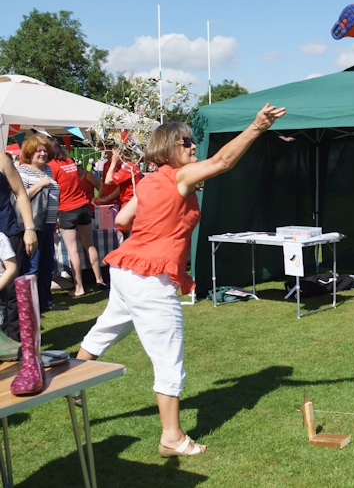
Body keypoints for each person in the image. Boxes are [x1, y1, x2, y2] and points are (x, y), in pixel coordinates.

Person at [76, 102, 286, 457]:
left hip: (127, 271)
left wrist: (173, 204)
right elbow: (221, 162)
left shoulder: (149, 180)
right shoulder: (178, 177)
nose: (192, 145)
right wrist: (256, 127)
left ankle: (71, 385)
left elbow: (125, 220)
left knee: (105, 330)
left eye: (192, 141)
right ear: (169, 147)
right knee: (168, 356)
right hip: (149, 278)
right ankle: (171, 438)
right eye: (186, 141)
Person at [17, 134, 66, 312]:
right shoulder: (23, 171)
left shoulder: (48, 170)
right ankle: (28, 306)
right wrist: (40, 185)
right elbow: (20, 197)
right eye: (39, 151)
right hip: (33, 225)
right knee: (32, 266)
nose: (43, 153)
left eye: (45, 150)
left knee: (47, 264)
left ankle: (45, 302)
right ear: (30, 152)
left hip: (49, 224)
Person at [48, 142, 103, 296]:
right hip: (83, 206)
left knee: (73, 250)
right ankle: (99, 279)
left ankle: (79, 287)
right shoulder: (70, 163)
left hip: (67, 209)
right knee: (89, 245)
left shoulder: (52, 166)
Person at [0, 153, 37, 341]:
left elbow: (20, 193)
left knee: (13, 293)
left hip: (6, 232)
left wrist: (29, 228)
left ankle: (14, 345)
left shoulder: (2, 160)